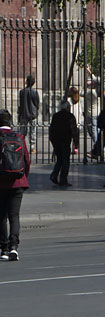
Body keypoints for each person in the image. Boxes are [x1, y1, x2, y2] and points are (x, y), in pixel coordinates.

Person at [0, 109, 30, 262]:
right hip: (18, 182)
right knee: (14, 216)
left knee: (2, 217)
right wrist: (24, 177)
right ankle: (14, 247)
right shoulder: (19, 137)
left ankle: (4, 248)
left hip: (1, 183)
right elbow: (26, 160)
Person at [48, 100, 79, 188]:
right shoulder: (70, 116)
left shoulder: (55, 116)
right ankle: (63, 179)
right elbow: (74, 130)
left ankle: (54, 174)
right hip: (65, 140)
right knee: (65, 160)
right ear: (67, 107)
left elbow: (52, 129)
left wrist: (52, 140)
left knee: (60, 159)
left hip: (56, 140)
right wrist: (76, 142)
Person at [18, 75, 39, 153]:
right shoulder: (34, 92)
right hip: (33, 114)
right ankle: (32, 146)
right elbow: (37, 103)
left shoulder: (22, 92)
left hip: (23, 113)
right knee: (33, 130)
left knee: (22, 130)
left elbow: (20, 103)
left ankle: (21, 145)